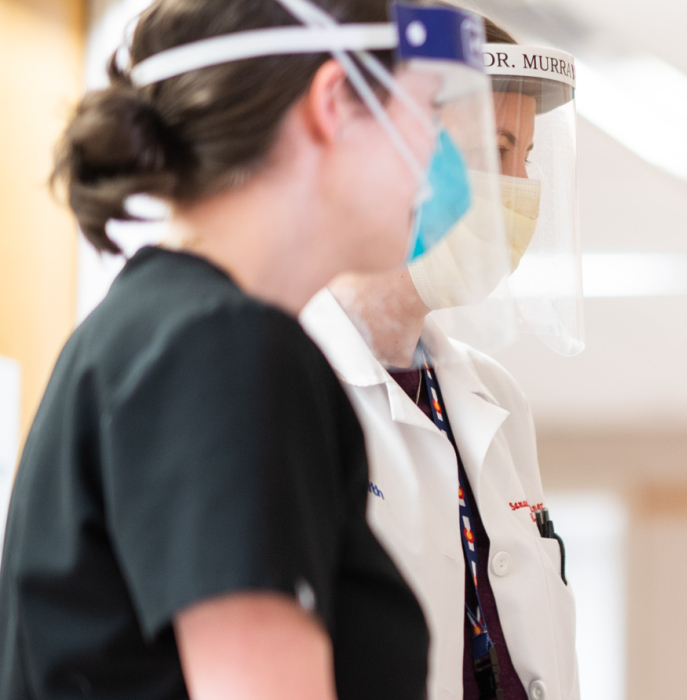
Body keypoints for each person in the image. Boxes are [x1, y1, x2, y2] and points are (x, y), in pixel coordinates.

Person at [0, 0, 508, 697]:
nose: (439, 156)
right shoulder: (221, 350)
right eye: (427, 111)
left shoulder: (156, 332)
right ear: (335, 103)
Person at [297, 15, 584, 700]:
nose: (520, 187)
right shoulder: (288, 381)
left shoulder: (494, 400)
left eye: (527, 158)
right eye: (497, 147)